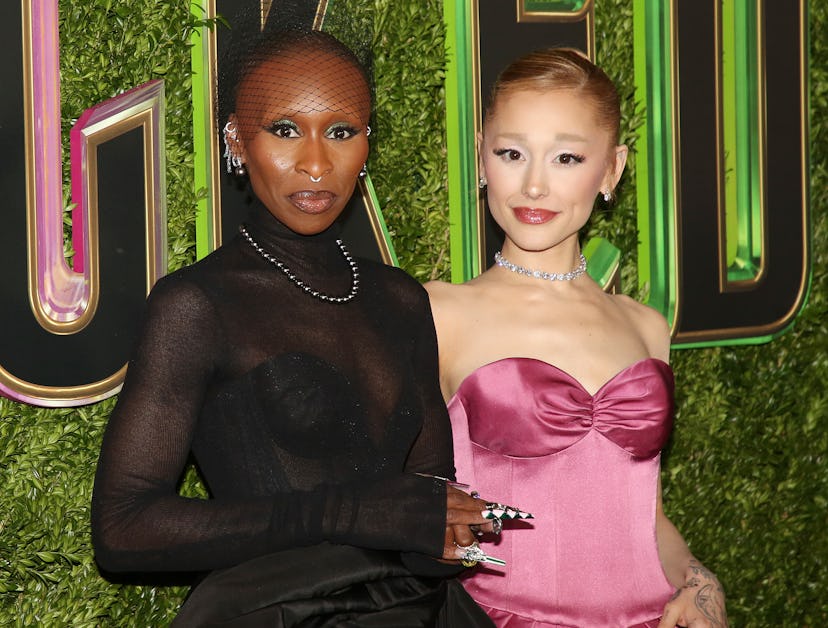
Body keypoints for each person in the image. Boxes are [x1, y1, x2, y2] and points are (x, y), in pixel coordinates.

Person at [91, 24, 498, 627]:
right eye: (284, 130)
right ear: (236, 140)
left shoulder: (401, 299)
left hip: (419, 611)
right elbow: (123, 528)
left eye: (342, 132)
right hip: (277, 611)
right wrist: (347, 515)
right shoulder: (199, 304)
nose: (315, 163)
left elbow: (424, 493)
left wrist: (450, 526)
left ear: (367, 144)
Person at [426, 48, 728, 628]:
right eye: (512, 153)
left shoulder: (646, 326)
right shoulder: (442, 312)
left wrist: (699, 580)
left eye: (566, 157)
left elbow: (645, 517)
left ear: (611, 170)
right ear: (482, 156)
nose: (534, 185)